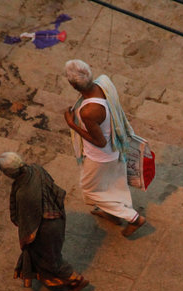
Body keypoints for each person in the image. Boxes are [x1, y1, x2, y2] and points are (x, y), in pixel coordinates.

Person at [63, 59, 146, 237]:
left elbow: (99, 142)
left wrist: (72, 124)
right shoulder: (104, 82)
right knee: (113, 185)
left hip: (100, 157)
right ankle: (112, 214)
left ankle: (134, 218)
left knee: (90, 190)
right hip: (116, 147)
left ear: (72, 85)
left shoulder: (89, 111)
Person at [0, 152, 89, 291]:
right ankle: (54, 278)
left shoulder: (23, 193)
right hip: (56, 216)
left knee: (50, 259)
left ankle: (76, 279)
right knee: (51, 255)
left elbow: (24, 220)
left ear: (9, 173)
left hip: (45, 229)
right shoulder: (36, 169)